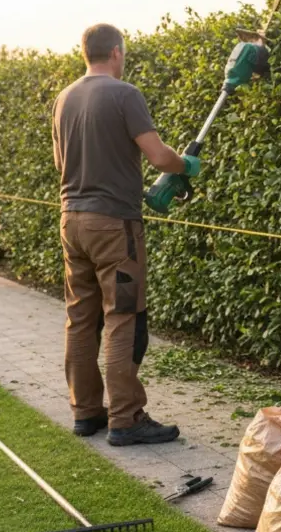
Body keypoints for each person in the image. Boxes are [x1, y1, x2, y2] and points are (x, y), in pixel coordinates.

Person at [51, 23, 198, 446]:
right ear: (116, 52)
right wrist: (185, 165)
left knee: (81, 317)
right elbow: (158, 157)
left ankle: (86, 412)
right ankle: (126, 418)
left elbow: (61, 162)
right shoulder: (125, 94)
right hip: (115, 224)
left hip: (72, 220)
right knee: (123, 316)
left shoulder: (64, 98)